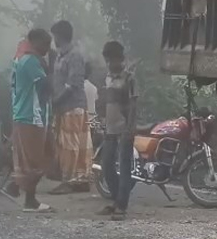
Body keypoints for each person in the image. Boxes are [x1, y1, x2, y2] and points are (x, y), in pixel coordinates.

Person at [9, 27, 53, 212]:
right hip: (31, 115)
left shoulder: (24, 58)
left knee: (35, 158)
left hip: (30, 114)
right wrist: (50, 68)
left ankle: (17, 188)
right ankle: (27, 197)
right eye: (45, 44)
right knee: (34, 159)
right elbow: (44, 86)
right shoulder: (31, 61)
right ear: (35, 42)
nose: (48, 48)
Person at [48, 20, 93, 194]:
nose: (54, 40)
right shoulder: (61, 55)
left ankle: (71, 180)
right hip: (63, 106)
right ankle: (78, 180)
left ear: (61, 36)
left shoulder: (74, 55)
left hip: (73, 106)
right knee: (70, 145)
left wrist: (57, 100)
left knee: (72, 146)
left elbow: (73, 84)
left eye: (55, 36)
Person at [96, 40, 139, 219]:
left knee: (124, 166)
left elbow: (134, 105)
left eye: (112, 60)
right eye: (107, 60)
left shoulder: (129, 78)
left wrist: (130, 128)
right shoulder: (107, 78)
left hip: (124, 130)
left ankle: (122, 205)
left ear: (120, 59)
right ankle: (116, 199)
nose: (110, 64)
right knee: (106, 166)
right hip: (110, 130)